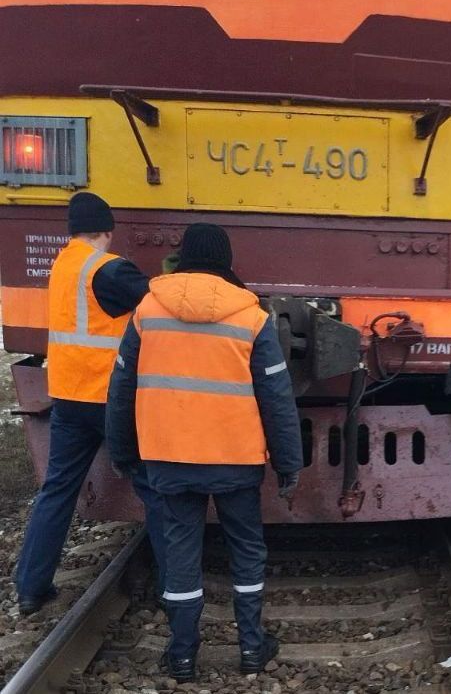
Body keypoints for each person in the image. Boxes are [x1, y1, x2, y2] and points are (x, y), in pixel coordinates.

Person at [106, 223, 303, 683]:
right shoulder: (250, 317)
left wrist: (122, 451)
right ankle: (253, 648)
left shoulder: (148, 311)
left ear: (182, 258)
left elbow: (121, 389)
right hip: (235, 460)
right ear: (226, 263)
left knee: (179, 555)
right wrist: (289, 463)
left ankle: (182, 657)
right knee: (246, 550)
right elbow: (277, 398)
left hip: (169, 458)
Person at [15, 192, 167, 615]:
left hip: (67, 397)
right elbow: (159, 304)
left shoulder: (63, 264)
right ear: (107, 230)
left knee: (57, 491)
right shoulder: (109, 269)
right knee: (155, 490)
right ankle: (171, 585)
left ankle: (31, 588)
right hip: (109, 401)